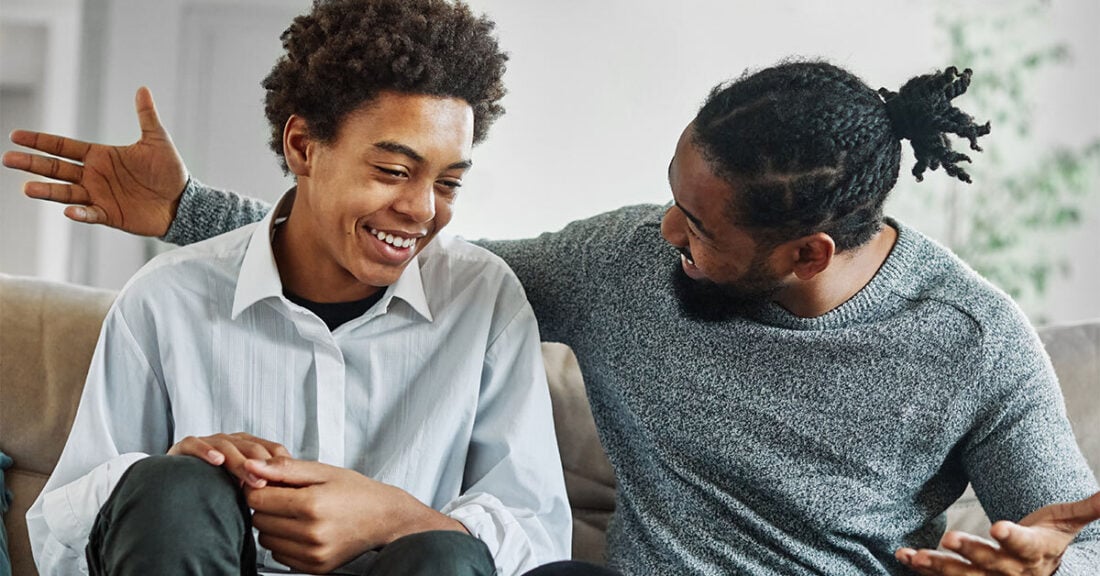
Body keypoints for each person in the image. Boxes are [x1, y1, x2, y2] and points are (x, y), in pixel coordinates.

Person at [6, 56, 1100, 575]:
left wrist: (1046, 568)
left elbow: (1064, 532)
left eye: (698, 227)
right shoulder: (625, 260)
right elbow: (416, 256)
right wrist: (187, 212)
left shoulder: (970, 341)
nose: (661, 232)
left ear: (803, 252)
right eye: (671, 192)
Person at [8, 0, 572, 574]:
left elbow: (539, 536)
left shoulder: (484, 299)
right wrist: (167, 477)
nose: (422, 209)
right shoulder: (166, 297)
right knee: (172, 488)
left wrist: (391, 516)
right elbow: (63, 533)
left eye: (448, 182)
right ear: (302, 146)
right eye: (394, 172)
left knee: (446, 553)